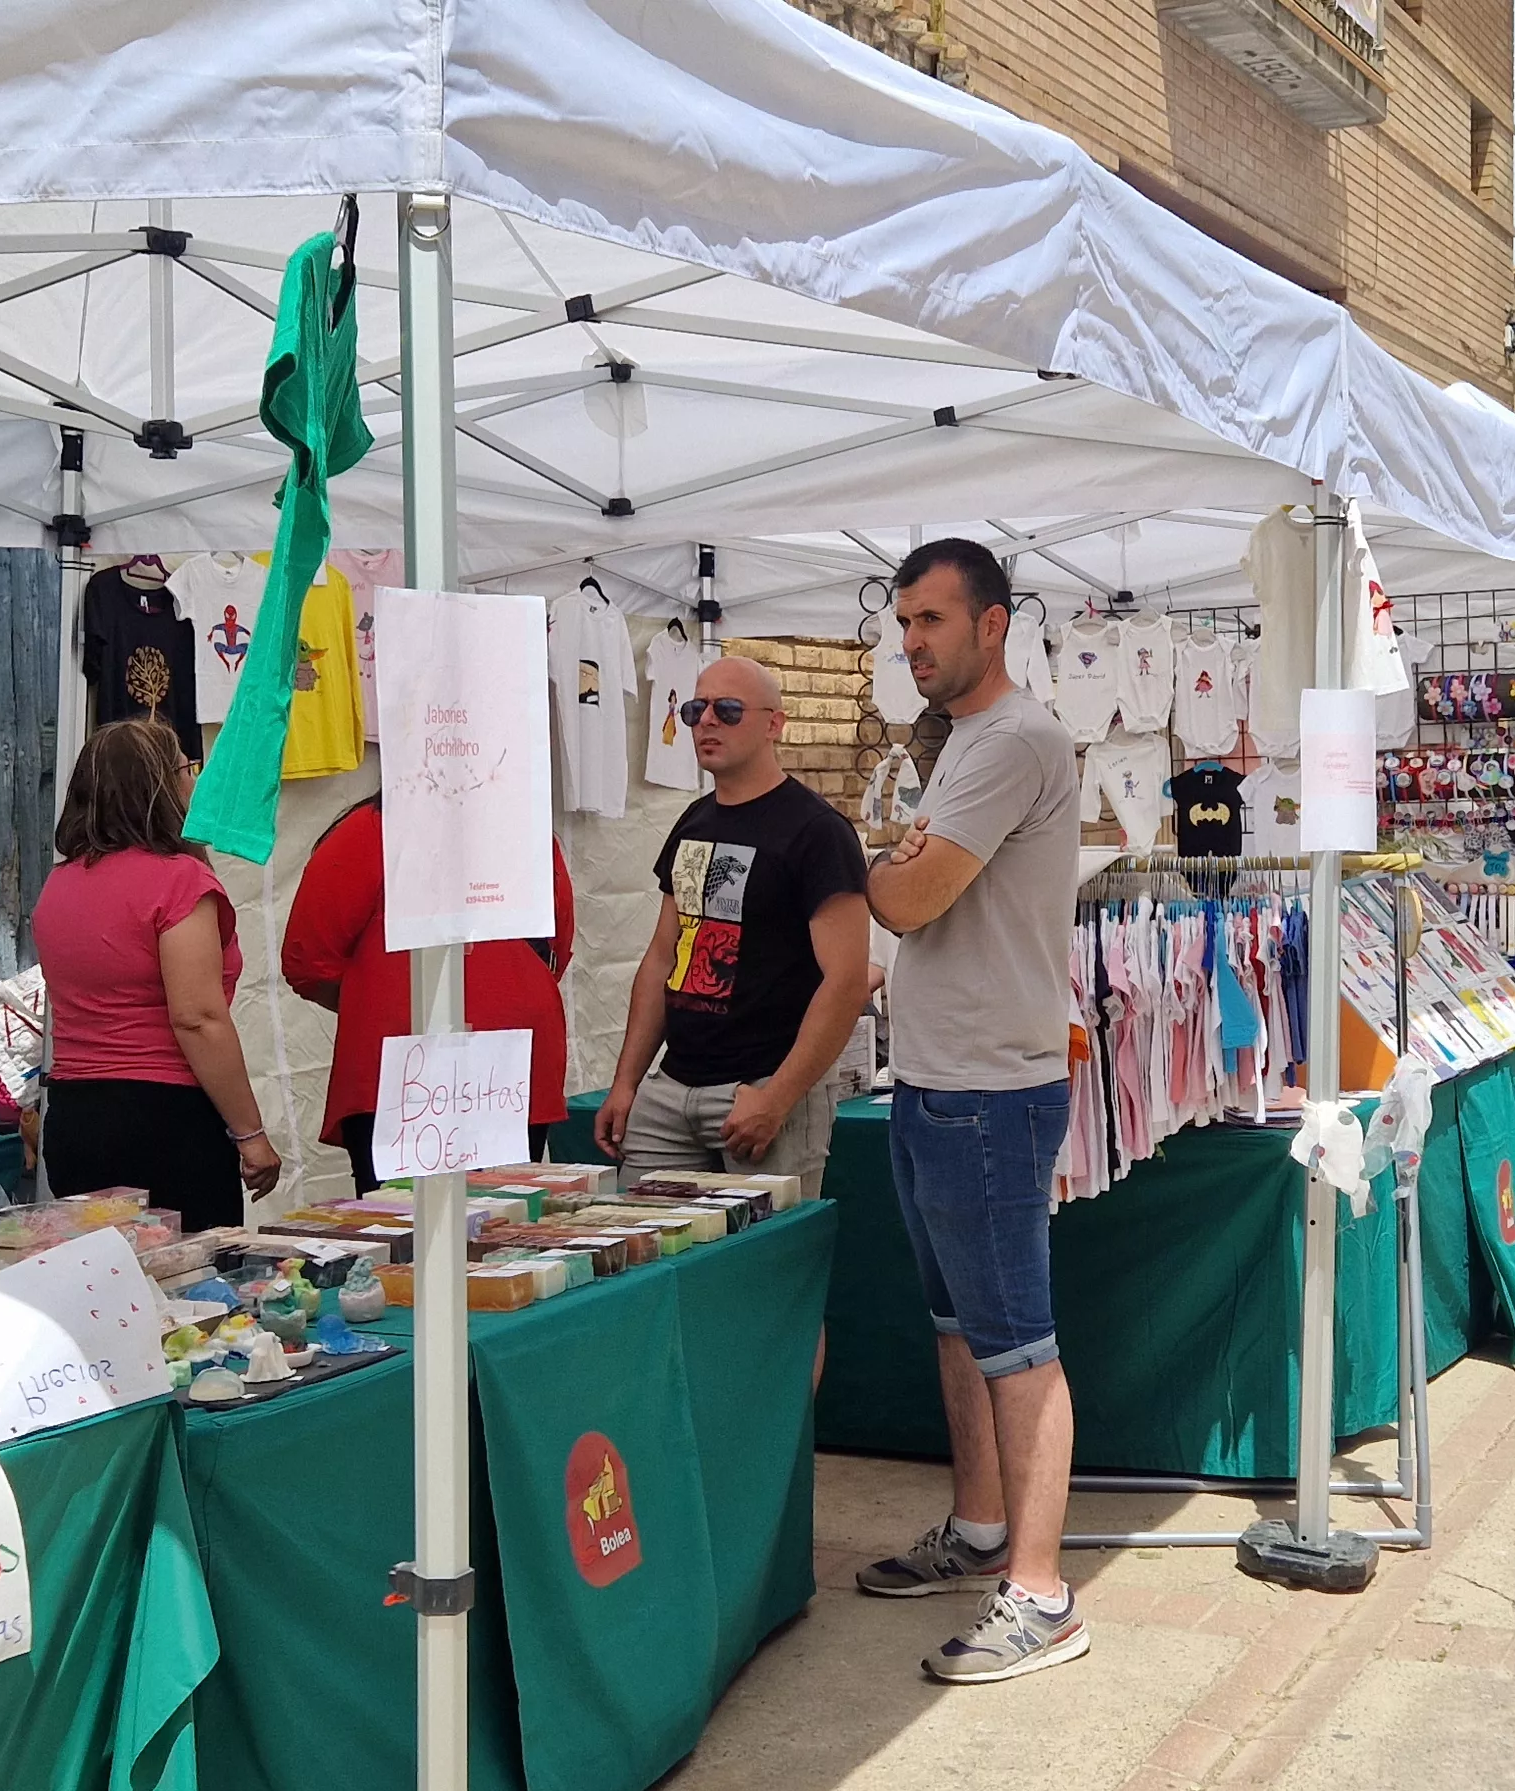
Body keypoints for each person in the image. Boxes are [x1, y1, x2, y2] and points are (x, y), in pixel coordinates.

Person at [853, 536, 1091, 1685]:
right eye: (902, 623)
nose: (911, 642)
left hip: (988, 1091)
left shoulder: (1010, 743)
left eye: (930, 620)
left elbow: (909, 898)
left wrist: (878, 866)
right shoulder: (966, 744)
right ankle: (983, 1530)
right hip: (939, 1079)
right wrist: (897, 864)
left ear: (992, 624)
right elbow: (916, 888)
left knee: (1017, 1345)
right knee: (961, 1329)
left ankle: (1040, 1595)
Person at [594, 655, 875, 1192]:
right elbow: (663, 956)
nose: (706, 721)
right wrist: (626, 1082)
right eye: (696, 709)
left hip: (762, 1086)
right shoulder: (693, 822)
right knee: (644, 1239)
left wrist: (777, 1098)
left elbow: (845, 982)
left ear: (775, 724)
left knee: (768, 1247)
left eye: (727, 709)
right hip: (672, 1089)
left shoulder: (818, 832)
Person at [30, 718, 284, 1225]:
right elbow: (197, 1018)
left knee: (103, 1269)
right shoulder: (178, 882)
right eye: (188, 770)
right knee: (193, 1272)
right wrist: (250, 1134)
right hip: (163, 1121)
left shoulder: (58, 884)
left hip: (75, 1117)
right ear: (161, 787)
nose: (195, 781)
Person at [283, 796, 577, 1191]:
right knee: (490, 1214)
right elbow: (308, 960)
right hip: (464, 1067)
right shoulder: (370, 832)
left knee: (418, 1219)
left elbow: (309, 960)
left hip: (461, 1070)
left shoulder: (369, 830)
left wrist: (382, 1002)